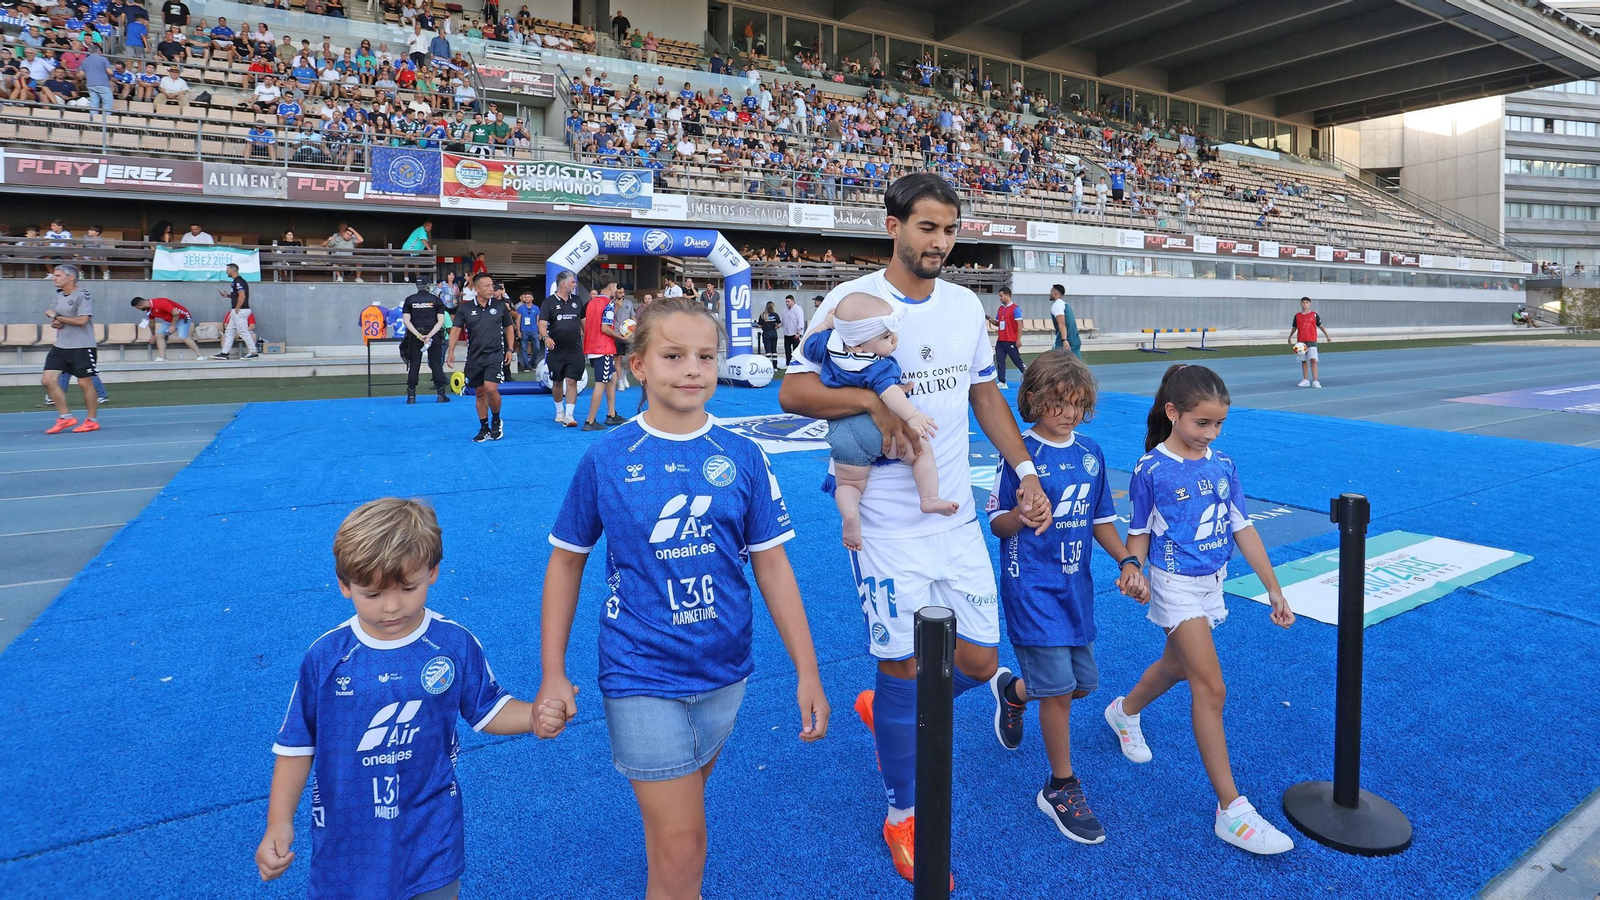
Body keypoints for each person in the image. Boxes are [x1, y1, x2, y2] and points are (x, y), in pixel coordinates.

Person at [779, 173, 1052, 886]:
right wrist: (875, 406)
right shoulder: (852, 301)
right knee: (904, 664)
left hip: (954, 515)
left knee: (980, 662)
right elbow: (794, 390)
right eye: (927, 227)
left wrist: (1024, 469)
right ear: (893, 226)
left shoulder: (964, 306)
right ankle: (901, 811)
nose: (940, 242)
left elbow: (983, 392)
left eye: (950, 229)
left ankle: (890, 709)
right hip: (884, 525)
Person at [535, 295, 829, 900]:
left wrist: (807, 669)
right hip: (639, 669)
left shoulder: (744, 455)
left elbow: (772, 564)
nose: (693, 369)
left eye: (706, 356)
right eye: (673, 356)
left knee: (678, 820)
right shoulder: (607, 457)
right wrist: (553, 673)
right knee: (685, 845)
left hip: (725, 670)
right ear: (638, 366)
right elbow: (566, 561)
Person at [254, 498, 550, 897]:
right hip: (348, 840)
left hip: (431, 832)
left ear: (433, 572)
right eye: (373, 594)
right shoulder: (326, 657)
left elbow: (489, 709)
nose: (392, 607)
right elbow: (296, 745)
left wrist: (534, 716)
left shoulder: (452, 645)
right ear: (345, 586)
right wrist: (279, 822)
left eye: (408, 588)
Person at [1105, 364, 1297, 855]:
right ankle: (1231, 810)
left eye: (1218, 424)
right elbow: (1139, 531)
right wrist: (1133, 568)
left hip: (1214, 584)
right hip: (1174, 587)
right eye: (1202, 422)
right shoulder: (1151, 469)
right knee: (1210, 686)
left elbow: (1242, 527)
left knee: (1176, 666)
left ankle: (1124, 712)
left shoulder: (1224, 465)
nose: (1210, 433)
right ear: (1173, 413)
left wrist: (1274, 588)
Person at [987, 351, 1147, 845]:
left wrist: (1128, 561)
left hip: (1076, 590)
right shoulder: (1019, 453)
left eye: (1078, 404)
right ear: (1034, 400)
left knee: (1081, 686)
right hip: (1031, 588)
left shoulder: (1091, 452)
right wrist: (1019, 516)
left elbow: (1101, 520)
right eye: (1059, 402)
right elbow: (996, 522)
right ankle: (1060, 786)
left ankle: (1013, 693)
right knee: (1058, 692)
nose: (1069, 413)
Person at [803, 292, 957, 550]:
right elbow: (888, 393)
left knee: (849, 483)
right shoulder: (878, 366)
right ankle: (929, 498)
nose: (894, 339)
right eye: (886, 337)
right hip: (876, 428)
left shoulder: (829, 344)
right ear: (859, 347)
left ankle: (850, 513)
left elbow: (807, 345)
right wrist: (912, 414)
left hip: (842, 429)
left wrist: (826, 325)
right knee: (921, 452)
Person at [446, 272, 514, 442]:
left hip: (495, 354)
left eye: (492, 286)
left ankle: (496, 419)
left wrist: (510, 349)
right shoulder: (465, 308)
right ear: (476, 289)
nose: (491, 289)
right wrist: (451, 351)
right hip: (474, 356)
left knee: (490, 389)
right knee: (480, 392)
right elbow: (456, 330)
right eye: (487, 286)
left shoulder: (500, 306)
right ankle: (484, 428)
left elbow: (509, 327)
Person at [40, 265, 102, 434]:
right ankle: (65, 417)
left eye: (58, 275)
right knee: (48, 380)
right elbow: (63, 319)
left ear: (71, 277)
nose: (54, 278)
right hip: (61, 345)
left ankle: (91, 420)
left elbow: (82, 320)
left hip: (81, 346)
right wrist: (57, 323)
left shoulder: (83, 295)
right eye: (54, 275)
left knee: (84, 382)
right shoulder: (59, 295)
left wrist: (56, 316)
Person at [539, 271, 584, 428]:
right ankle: (559, 411)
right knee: (557, 381)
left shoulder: (577, 301)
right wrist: (546, 337)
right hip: (556, 350)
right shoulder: (548, 302)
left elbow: (583, 322)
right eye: (572, 282)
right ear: (563, 284)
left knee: (572, 381)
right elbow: (542, 324)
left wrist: (588, 338)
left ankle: (569, 415)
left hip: (575, 349)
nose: (575, 284)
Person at [580, 281, 625, 431]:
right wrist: (622, 337)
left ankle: (611, 414)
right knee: (601, 383)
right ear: (611, 286)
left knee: (612, 377)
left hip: (593, 346)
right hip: (603, 348)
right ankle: (590, 421)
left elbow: (591, 323)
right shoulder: (608, 304)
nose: (616, 290)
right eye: (616, 287)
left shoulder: (592, 303)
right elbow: (605, 328)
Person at [401, 278, 450, 404]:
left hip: (415, 336)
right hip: (433, 335)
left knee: (414, 364)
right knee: (435, 363)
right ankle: (441, 394)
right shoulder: (436, 300)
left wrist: (418, 335)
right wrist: (429, 336)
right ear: (428, 285)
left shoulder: (410, 300)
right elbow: (440, 321)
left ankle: (411, 396)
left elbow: (406, 321)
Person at [131, 295, 206, 361]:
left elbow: (176, 313)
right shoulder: (149, 310)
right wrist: (153, 334)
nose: (139, 309)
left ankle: (200, 355)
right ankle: (162, 357)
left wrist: (173, 326)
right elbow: (151, 321)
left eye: (138, 308)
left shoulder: (160, 302)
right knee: (159, 335)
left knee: (183, 336)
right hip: (169, 320)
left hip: (183, 318)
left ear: (140, 305)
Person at [215, 262, 259, 359]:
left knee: (243, 331)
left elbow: (242, 295)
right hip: (237, 310)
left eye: (227, 270)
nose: (226, 272)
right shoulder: (236, 281)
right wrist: (227, 295)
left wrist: (238, 308)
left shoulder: (238, 281)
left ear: (232, 270)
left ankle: (253, 352)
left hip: (240, 310)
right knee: (230, 330)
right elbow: (237, 295)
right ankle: (225, 352)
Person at [1289, 296, 1331, 388]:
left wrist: (1327, 335)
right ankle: (1305, 380)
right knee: (1304, 360)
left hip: (1311, 340)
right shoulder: (1297, 316)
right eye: (1303, 302)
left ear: (1309, 304)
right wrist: (1290, 337)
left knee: (1313, 360)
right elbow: (1294, 328)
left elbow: (1321, 326)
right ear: (1300, 304)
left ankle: (1315, 380)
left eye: (1306, 302)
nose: (1305, 304)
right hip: (1301, 342)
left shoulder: (1314, 315)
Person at [989, 287, 1023, 388]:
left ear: (1007, 295)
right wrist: (989, 318)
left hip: (1011, 340)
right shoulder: (1000, 309)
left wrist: (1018, 339)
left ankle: (1030, 376)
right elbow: (997, 323)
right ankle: (1002, 381)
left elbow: (1020, 324)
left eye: (1001, 296)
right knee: (999, 361)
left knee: (1017, 361)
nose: (1000, 298)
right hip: (1001, 340)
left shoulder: (1015, 309)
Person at [1049, 284, 1081, 356]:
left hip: (1064, 341)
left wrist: (1064, 340)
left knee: (1051, 360)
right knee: (1076, 362)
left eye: (1051, 292)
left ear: (1055, 293)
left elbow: (1061, 323)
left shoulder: (1056, 305)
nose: (1049, 294)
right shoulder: (1065, 305)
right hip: (1075, 340)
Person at [515, 290, 541, 373]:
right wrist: (518, 331)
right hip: (524, 330)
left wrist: (540, 332)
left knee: (537, 347)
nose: (526, 299)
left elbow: (538, 320)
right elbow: (518, 320)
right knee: (524, 348)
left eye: (528, 297)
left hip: (534, 330)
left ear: (532, 298)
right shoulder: (521, 308)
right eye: (525, 297)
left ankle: (532, 362)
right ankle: (526, 365)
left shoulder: (536, 308)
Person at [779, 294, 804, 367]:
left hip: (795, 333)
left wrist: (798, 333)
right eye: (786, 302)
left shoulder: (798, 309)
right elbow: (782, 321)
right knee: (787, 349)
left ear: (793, 301)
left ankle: (796, 363)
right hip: (787, 333)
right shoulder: (785, 310)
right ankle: (788, 363)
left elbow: (800, 321)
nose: (787, 303)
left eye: (788, 301)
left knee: (795, 349)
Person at [757, 300, 782, 367]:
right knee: (774, 350)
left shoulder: (762, 315)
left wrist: (764, 326)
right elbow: (779, 324)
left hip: (766, 333)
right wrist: (775, 327)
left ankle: (769, 366)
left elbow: (759, 325)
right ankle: (775, 366)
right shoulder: (775, 315)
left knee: (768, 350)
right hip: (773, 333)